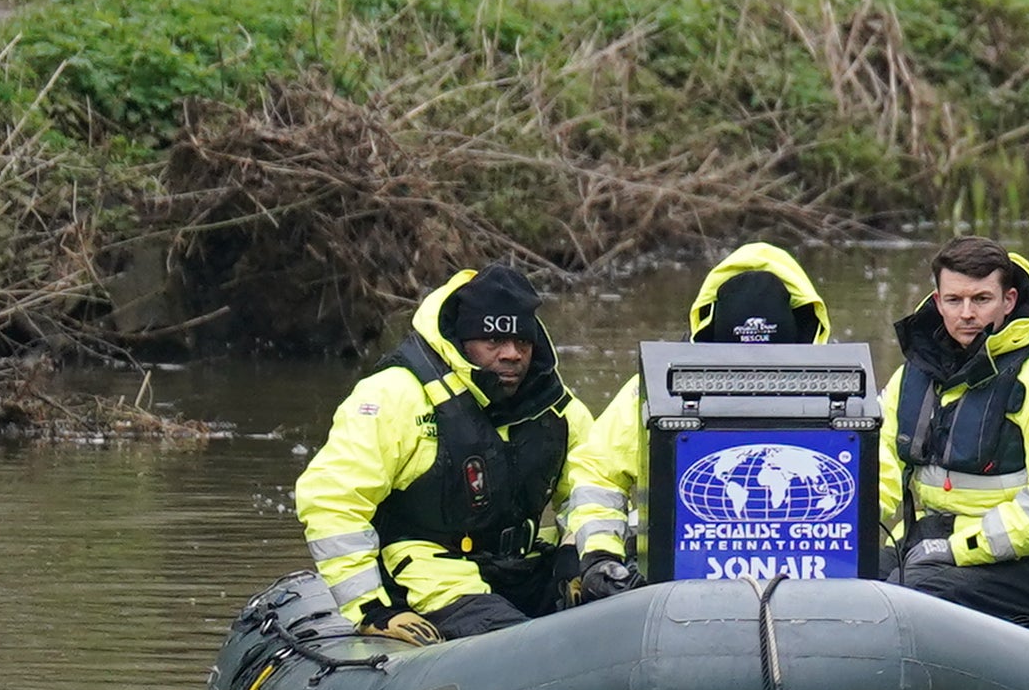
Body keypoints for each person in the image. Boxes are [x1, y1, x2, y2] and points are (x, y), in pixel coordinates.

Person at [292, 264, 580, 643]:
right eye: (493, 342)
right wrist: (370, 607)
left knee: (618, 588)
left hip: (521, 569)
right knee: (514, 645)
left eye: (522, 342)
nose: (511, 354)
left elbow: (592, 486)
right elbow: (331, 501)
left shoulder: (555, 407)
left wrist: (577, 554)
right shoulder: (395, 395)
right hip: (429, 578)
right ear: (462, 341)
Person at [557, 242, 839, 591]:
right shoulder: (653, 391)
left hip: (807, 577)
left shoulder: (842, 392)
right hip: (672, 581)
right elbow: (598, 474)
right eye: (737, 360)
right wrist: (601, 556)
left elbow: (876, 476)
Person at [879, 238, 1029, 628]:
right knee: (842, 579)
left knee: (901, 597)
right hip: (926, 543)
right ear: (937, 301)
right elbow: (878, 467)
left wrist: (960, 549)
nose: (966, 314)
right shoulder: (911, 376)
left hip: (1027, 562)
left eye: (981, 299)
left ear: (1009, 300)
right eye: (954, 301)